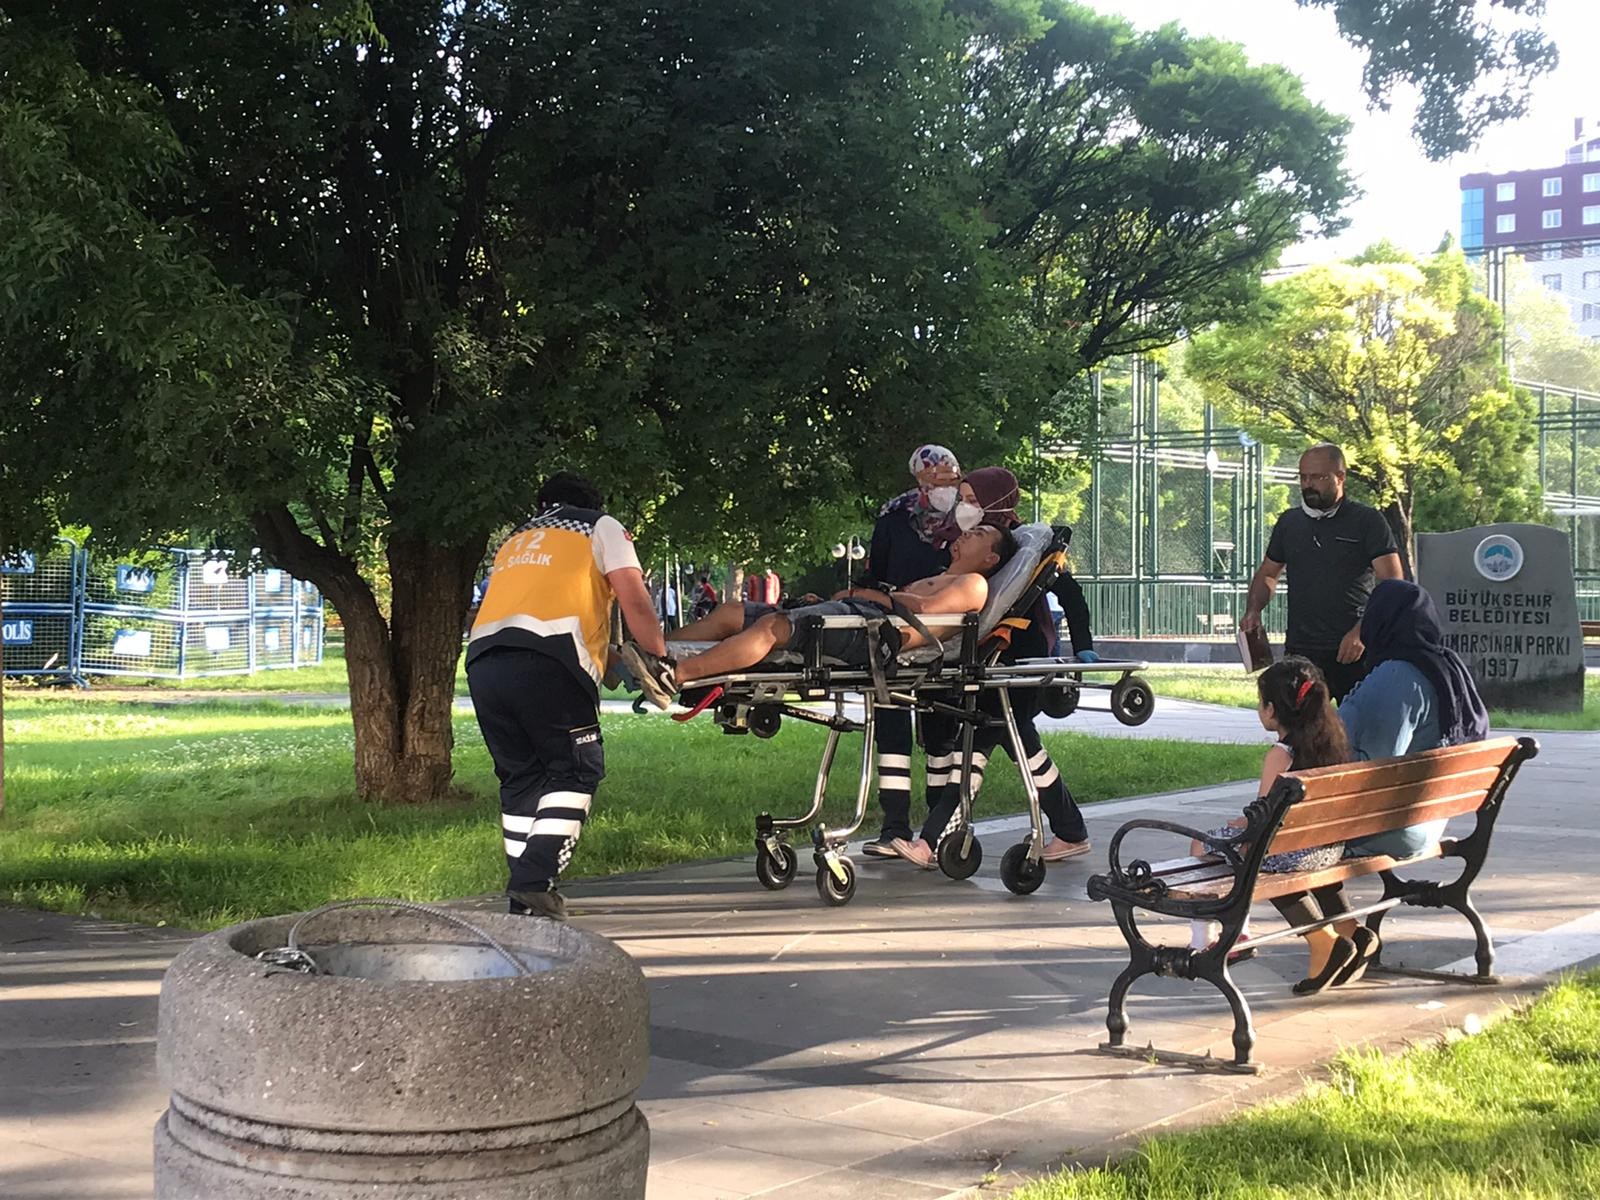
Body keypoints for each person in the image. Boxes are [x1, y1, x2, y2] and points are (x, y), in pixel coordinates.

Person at [1265, 580, 1491, 992]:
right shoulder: (1447, 668)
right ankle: (1351, 934)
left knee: (1277, 844)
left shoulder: (1397, 677)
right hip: (1429, 818)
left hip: (1391, 824)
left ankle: (1325, 943)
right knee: (1307, 836)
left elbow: (1370, 765)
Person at [466, 472, 668, 921]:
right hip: (551, 660)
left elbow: (541, 604)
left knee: (521, 781)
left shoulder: (516, 539)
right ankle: (534, 882)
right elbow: (634, 598)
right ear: (592, 502)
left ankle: (525, 905)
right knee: (576, 771)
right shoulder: (599, 526)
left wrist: (609, 658)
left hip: (484, 660)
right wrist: (659, 656)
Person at [889, 468, 1096, 868]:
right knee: (1020, 746)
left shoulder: (1021, 550)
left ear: (996, 502)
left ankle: (932, 842)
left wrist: (1084, 649)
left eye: (971, 499)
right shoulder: (966, 544)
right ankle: (1070, 830)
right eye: (962, 498)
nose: (963, 507)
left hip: (1015, 662)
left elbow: (1071, 597)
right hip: (986, 659)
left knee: (977, 747)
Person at [623, 524, 1017, 705]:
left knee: (774, 627)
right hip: (859, 617)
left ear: (991, 558)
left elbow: (924, 612)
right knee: (731, 612)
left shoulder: (973, 584)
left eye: (981, 534)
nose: (969, 532)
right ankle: (650, 653)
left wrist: (869, 594)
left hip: (875, 635)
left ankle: (675, 675)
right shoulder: (939, 576)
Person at [1187, 658, 1355, 993]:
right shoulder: (1330, 743)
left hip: (1288, 851)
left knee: (1203, 847)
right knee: (1248, 849)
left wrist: (1242, 827)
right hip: (1328, 848)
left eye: (1261, 702)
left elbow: (1262, 823)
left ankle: (1207, 940)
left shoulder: (1280, 754)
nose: (1259, 709)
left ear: (1273, 710)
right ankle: (1351, 931)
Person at [857, 445, 965, 858]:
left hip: (948, 635)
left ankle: (937, 830)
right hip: (897, 629)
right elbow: (877, 573)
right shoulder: (894, 516)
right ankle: (894, 827)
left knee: (941, 732)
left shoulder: (970, 517)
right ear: (919, 479)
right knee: (892, 726)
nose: (945, 483)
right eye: (936, 476)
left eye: (952, 475)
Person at [1240, 444, 1403, 702]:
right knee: (1299, 722)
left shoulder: (1367, 521)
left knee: (1359, 723)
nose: (1308, 484)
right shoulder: (1289, 523)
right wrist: (1253, 610)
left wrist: (1362, 631)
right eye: (1303, 477)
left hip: (1353, 649)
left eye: (1318, 477)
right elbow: (1268, 573)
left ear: (1340, 477)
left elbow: (1393, 582)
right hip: (1302, 651)